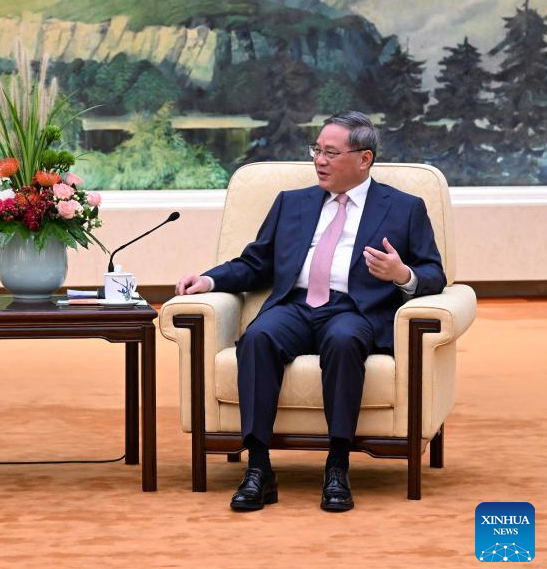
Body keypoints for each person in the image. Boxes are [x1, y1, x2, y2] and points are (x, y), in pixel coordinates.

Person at [176, 111, 445, 512]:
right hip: (296, 305)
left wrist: (401, 273)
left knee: (343, 340)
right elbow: (255, 263)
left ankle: (337, 465)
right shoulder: (291, 203)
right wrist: (210, 280)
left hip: (354, 309)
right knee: (258, 337)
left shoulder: (404, 208)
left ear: (364, 158)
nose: (319, 160)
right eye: (316, 150)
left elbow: (434, 274)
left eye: (331, 152)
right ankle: (259, 468)